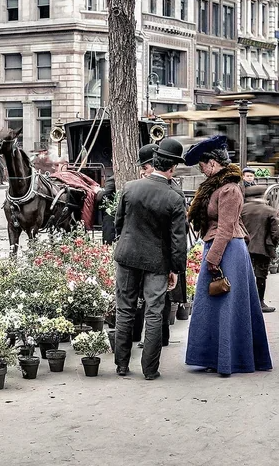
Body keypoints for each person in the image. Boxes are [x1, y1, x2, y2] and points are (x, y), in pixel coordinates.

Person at [183, 135, 272, 376]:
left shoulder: (231, 189)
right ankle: (216, 356)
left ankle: (230, 360)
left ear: (213, 163)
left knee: (226, 306)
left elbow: (226, 227)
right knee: (214, 306)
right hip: (219, 247)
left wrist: (213, 258)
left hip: (227, 250)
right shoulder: (218, 187)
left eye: (202, 165)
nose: (201, 171)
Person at [112, 138, 187, 380]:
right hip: (157, 262)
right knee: (154, 313)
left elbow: (118, 223)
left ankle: (122, 365)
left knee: (125, 310)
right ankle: (150, 370)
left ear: (153, 163)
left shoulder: (129, 187)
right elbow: (178, 240)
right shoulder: (175, 198)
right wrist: (176, 269)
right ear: (172, 168)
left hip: (127, 256)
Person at [241, 184, 279, 312]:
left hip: (244, 247)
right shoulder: (269, 211)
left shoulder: (242, 210)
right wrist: (272, 245)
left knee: (244, 275)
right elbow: (275, 233)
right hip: (262, 248)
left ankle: (244, 303)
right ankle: (259, 302)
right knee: (261, 276)